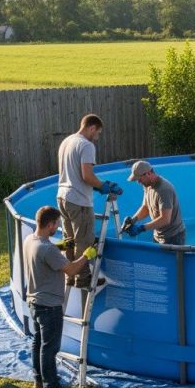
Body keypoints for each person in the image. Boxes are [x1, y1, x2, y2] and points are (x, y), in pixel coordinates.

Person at [24, 205, 97, 388]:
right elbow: (72, 270)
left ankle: (39, 380)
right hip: (49, 306)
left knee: (38, 343)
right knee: (50, 347)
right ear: (50, 224)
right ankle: (52, 387)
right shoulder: (48, 249)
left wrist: (62, 247)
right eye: (56, 224)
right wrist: (86, 256)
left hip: (34, 302)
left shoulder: (30, 240)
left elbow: (44, 251)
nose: (57, 227)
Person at [56, 113, 122, 289]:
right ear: (91, 127)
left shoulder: (67, 142)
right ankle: (83, 278)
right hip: (79, 200)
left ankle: (69, 275)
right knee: (83, 240)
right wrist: (103, 186)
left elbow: (73, 174)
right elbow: (86, 176)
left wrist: (97, 186)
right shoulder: (86, 145)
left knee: (69, 240)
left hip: (62, 196)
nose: (97, 137)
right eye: (98, 133)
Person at [124, 160, 186, 245]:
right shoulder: (147, 185)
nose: (138, 182)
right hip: (158, 236)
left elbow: (165, 219)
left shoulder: (164, 190)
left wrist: (141, 228)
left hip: (173, 237)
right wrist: (133, 220)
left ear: (148, 173)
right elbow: (146, 207)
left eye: (139, 179)